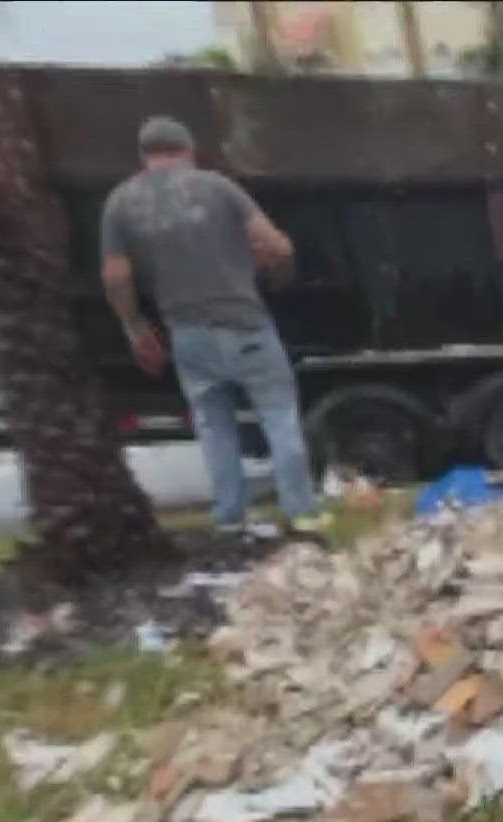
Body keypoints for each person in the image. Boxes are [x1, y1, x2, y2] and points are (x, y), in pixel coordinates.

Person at [100, 116, 328, 535]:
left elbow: (115, 276)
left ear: (144, 155)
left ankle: (229, 518)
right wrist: (276, 273)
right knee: (278, 417)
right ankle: (302, 512)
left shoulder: (120, 203)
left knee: (214, 429)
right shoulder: (217, 188)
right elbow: (275, 245)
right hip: (245, 325)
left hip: (186, 334)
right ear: (188, 150)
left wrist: (135, 328)